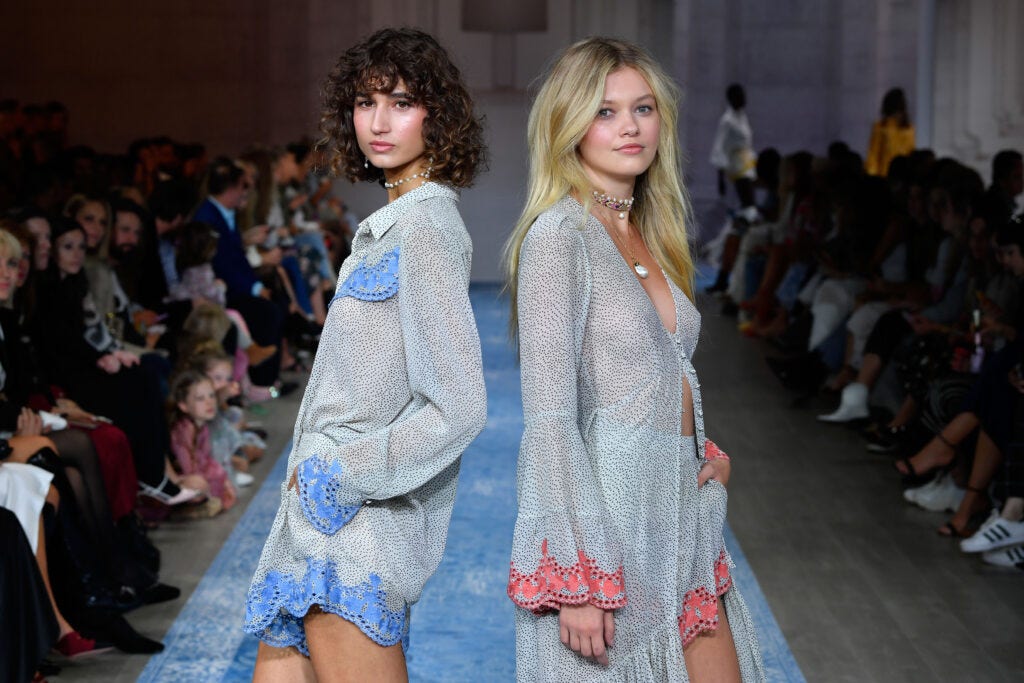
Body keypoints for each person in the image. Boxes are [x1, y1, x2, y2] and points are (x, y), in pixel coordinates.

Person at [503, 38, 765, 681]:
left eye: (642, 108)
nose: (629, 126)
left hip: (678, 513)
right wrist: (577, 576)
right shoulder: (559, 237)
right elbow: (549, 421)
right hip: (608, 529)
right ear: (569, 125)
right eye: (605, 111)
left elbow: (657, 371)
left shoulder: (647, 228)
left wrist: (703, 450)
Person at [243, 27, 487, 682]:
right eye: (364, 102)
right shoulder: (388, 227)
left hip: (355, 532)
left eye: (400, 102)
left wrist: (337, 477)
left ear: (436, 115)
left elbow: (459, 408)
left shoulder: (427, 229)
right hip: (314, 528)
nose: (377, 122)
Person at [865, 88, 915, 177]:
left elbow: (873, 154)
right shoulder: (908, 128)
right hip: (892, 175)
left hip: (889, 175)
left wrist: (871, 177)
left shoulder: (881, 127)